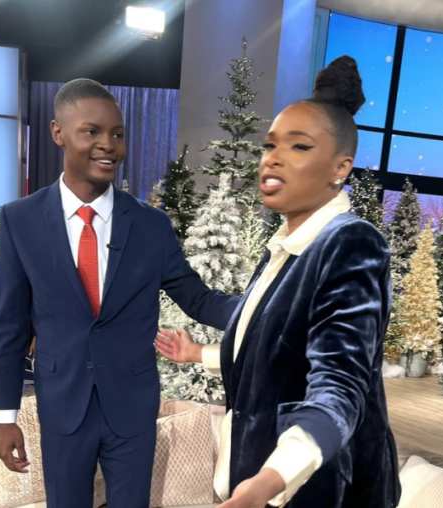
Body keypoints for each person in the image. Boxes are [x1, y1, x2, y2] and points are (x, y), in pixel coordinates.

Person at [156, 56, 401, 508]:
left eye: (299, 146)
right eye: (270, 145)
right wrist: (198, 354)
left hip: (318, 491)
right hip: (260, 478)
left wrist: (268, 482)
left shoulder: (352, 243)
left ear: (340, 167)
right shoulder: (285, 250)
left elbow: (339, 385)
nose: (273, 157)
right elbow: (276, 348)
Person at [0, 78, 239, 508]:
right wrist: (5, 416)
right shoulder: (21, 220)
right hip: (62, 404)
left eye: (118, 134)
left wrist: (266, 307)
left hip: (132, 405)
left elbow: (197, 298)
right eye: (92, 131)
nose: (108, 145)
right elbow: (9, 326)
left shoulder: (151, 226)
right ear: (58, 133)